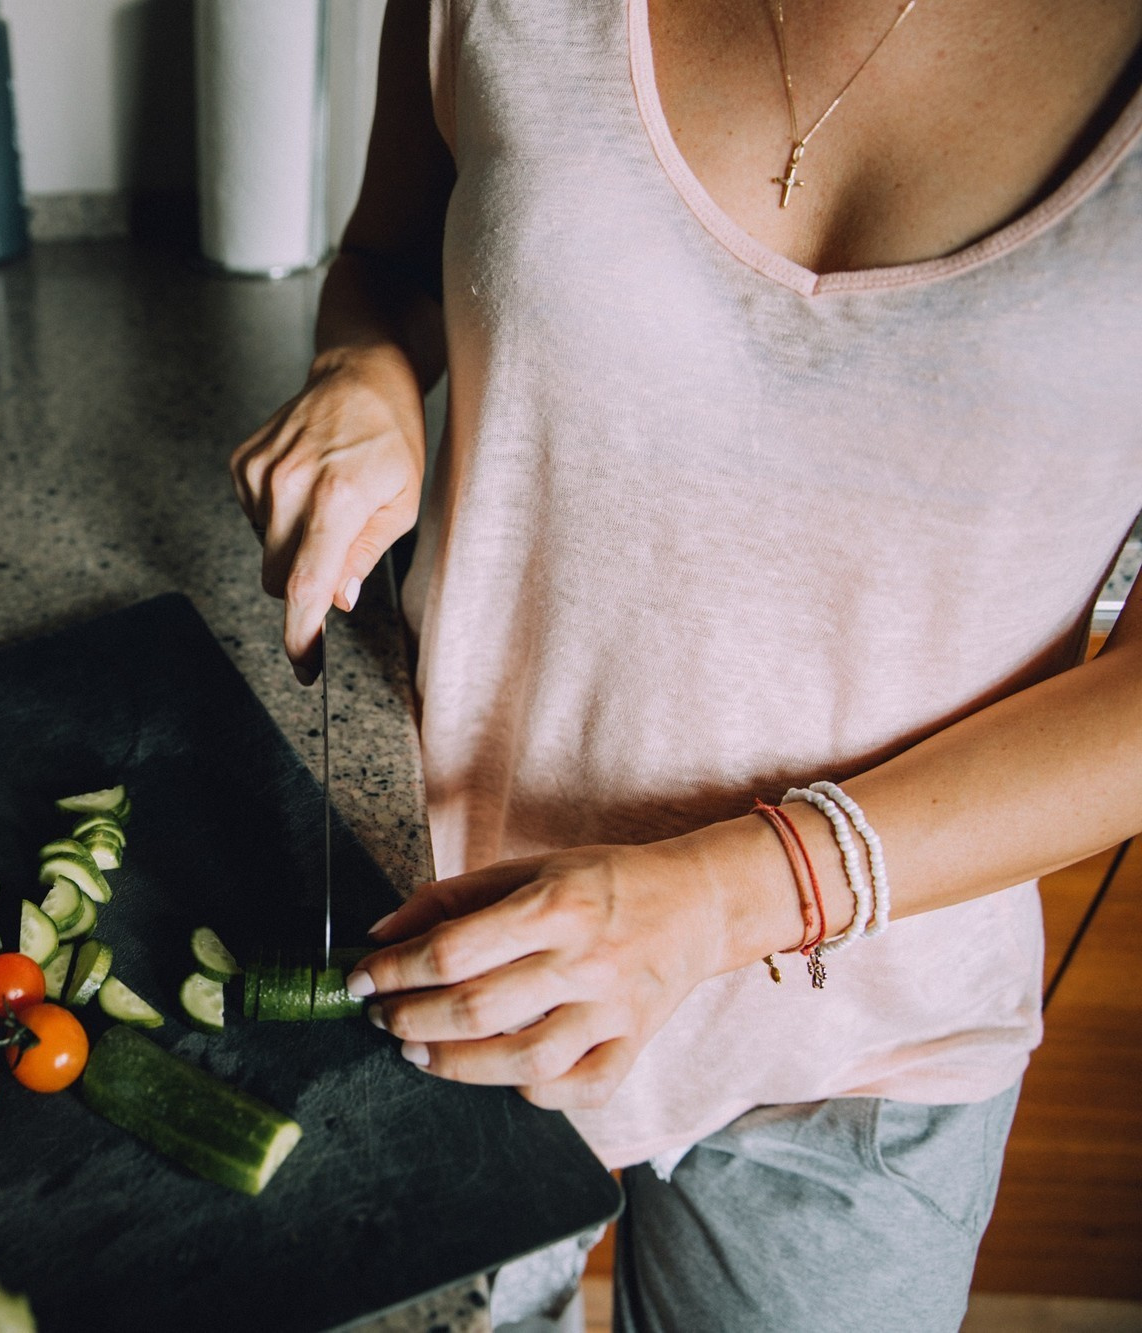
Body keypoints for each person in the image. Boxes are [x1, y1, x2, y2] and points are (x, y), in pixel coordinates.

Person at [229, 0, 1142, 1328]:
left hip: (864, 1040)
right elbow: (394, 258)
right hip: (462, 942)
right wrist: (364, 376)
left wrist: (715, 901)